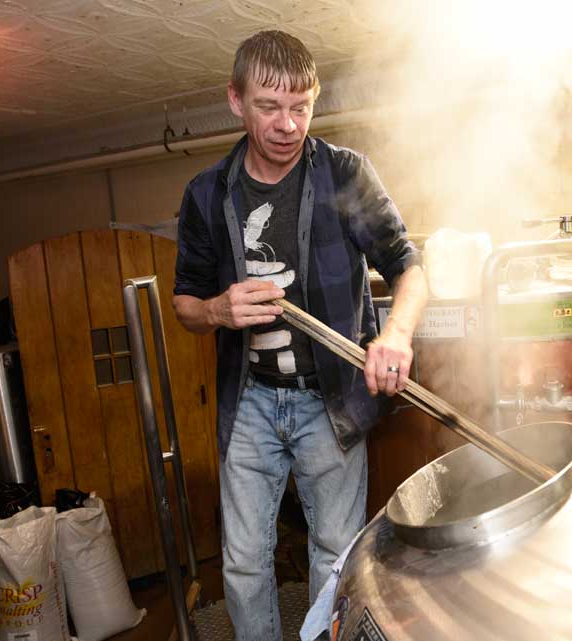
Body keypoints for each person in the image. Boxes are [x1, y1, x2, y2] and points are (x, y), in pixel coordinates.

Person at [171, 30, 428, 641]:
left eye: (301, 107)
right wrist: (218, 310)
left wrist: (396, 333)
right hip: (250, 401)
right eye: (269, 107)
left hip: (331, 399)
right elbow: (184, 304)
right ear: (236, 100)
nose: (287, 125)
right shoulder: (207, 194)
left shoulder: (344, 173)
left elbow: (408, 265)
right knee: (242, 566)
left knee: (336, 556)